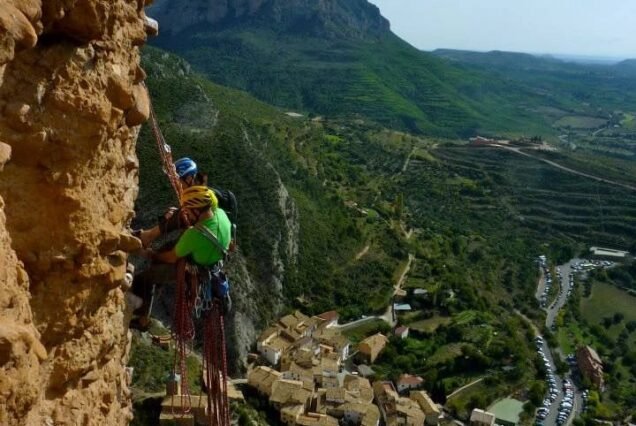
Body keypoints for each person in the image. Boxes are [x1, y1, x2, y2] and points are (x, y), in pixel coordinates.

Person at [131, 185, 233, 329]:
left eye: (189, 212)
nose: (186, 214)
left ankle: (141, 320)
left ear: (198, 211)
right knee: (160, 261)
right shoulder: (221, 214)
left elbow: (171, 258)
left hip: (190, 268)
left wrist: (151, 255)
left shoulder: (194, 235)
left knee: (144, 278)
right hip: (212, 259)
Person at [135, 157, 237, 248]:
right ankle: (148, 237)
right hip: (209, 232)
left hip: (214, 239)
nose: (174, 183)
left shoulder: (202, 197)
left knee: (178, 218)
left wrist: (177, 214)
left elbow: (206, 219)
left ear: (189, 179)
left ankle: (148, 237)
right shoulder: (198, 193)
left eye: (178, 180)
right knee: (174, 214)